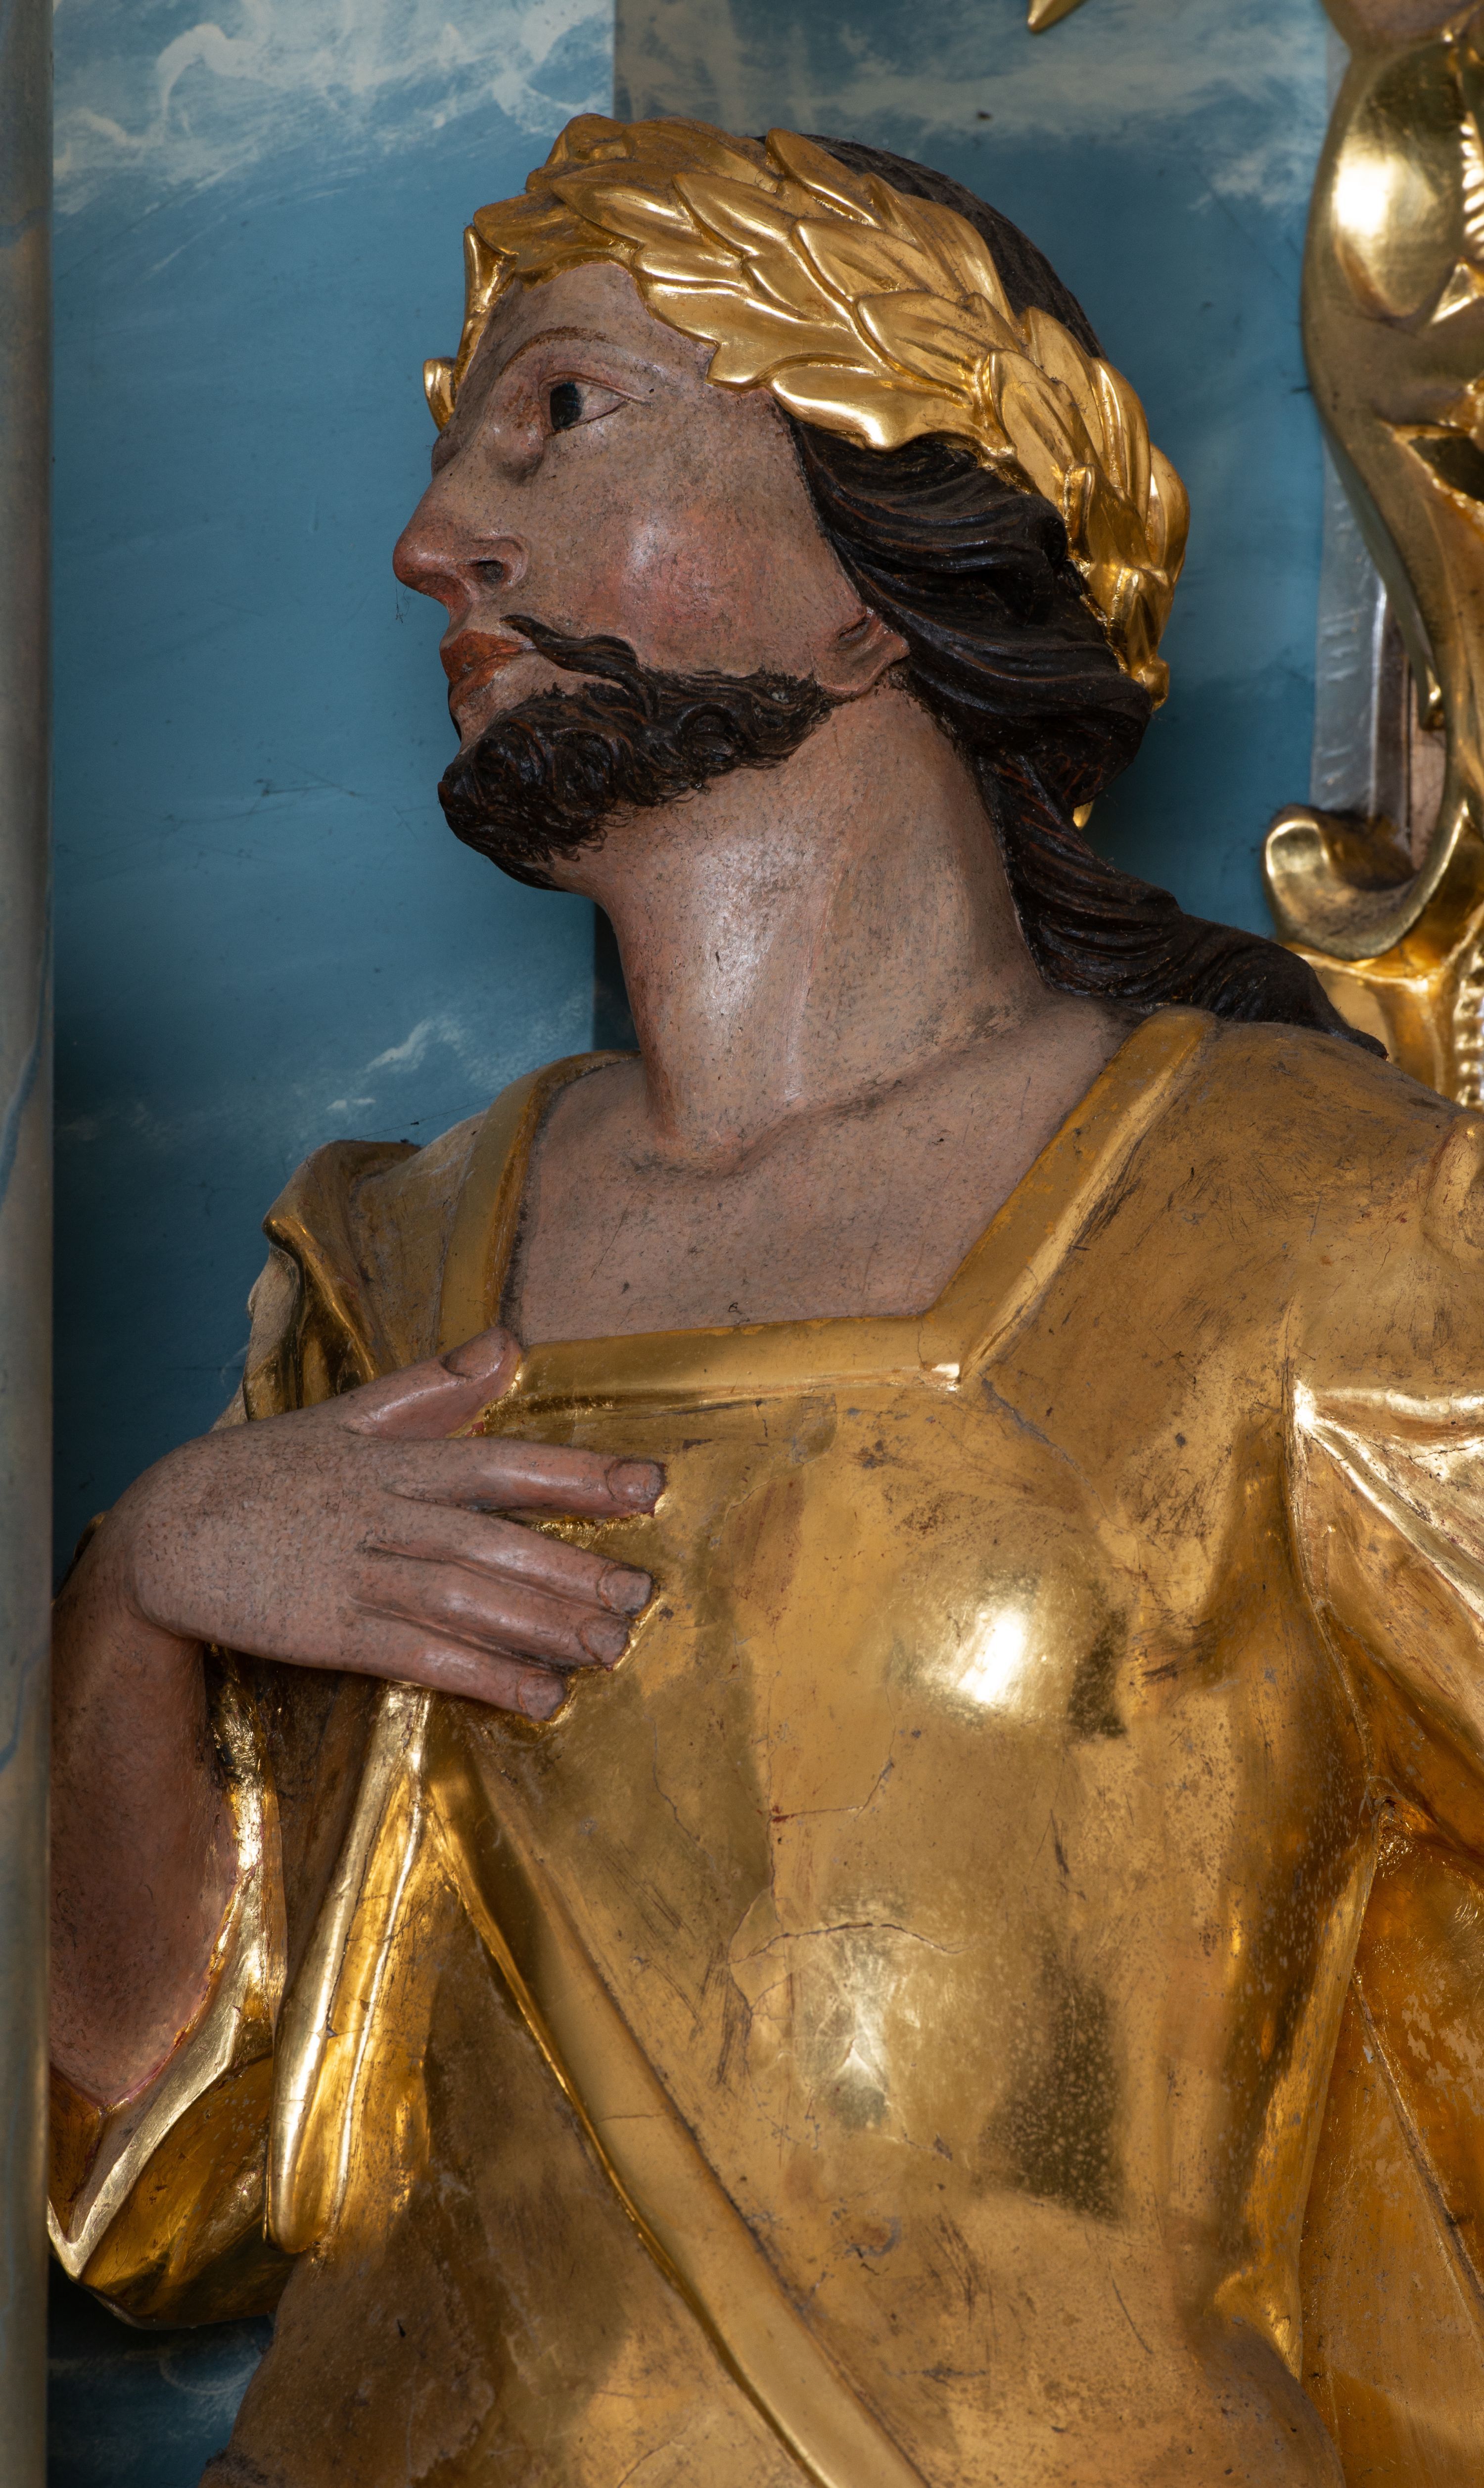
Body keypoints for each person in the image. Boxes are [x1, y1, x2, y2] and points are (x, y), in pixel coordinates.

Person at [47, 116, 1484, 2488]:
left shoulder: (1305, 1223)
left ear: (886, 542)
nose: (432, 539)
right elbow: (152, 2198)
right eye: (456, 451)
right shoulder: (390, 1262)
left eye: (561, 415)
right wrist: (143, 1598)